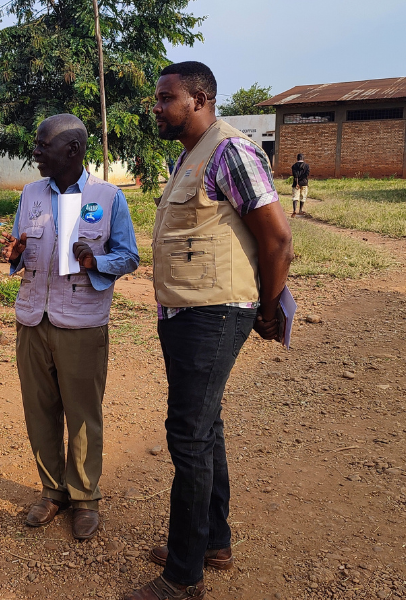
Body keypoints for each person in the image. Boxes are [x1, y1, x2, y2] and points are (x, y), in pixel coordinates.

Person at [123, 62, 293, 600]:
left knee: (188, 437)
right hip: (184, 313)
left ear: (200, 99)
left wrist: (268, 309)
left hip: (214, 313)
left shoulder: (231, 151)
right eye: (157, 97)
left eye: (165, 97)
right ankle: (211, 543)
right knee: (206, 427)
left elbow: (277, 239)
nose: (156, 106)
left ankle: (183, 576)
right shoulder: (189, 157)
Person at [1, 114, 139, 540]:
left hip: (82, 323)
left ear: (73, 151)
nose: (35, 152)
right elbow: (18, 250)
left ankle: (84, 498)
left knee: (82, 416)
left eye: (43, 145)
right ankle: (52, 491)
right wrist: (15, 251)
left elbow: (129, 256)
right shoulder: (31, 193)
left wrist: (97, 261)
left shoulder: (108, 196)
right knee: (39, 412)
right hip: (32, 321)